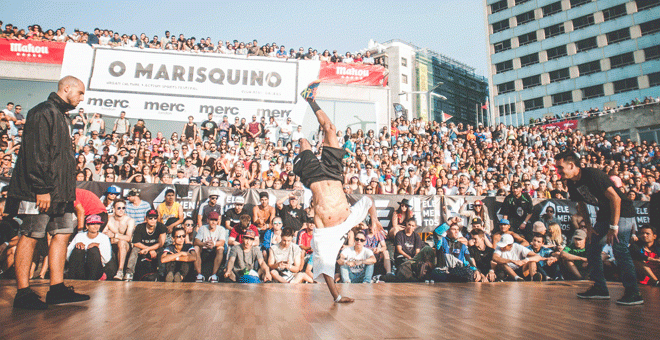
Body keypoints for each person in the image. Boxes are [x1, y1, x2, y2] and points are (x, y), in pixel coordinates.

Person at [293, 80, 381, 303]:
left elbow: (325, 269)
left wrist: (337, 296)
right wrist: (374, 220)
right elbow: (368, 199)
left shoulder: (325, 237)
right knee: (331, 130)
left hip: (313, 178)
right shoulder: (352, 219)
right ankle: (310, 98)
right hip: (333, 175)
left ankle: (301, 145)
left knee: (303, 141)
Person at [8, 76, 89, 309]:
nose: (82, 98)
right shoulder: (42, 112)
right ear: (67, 88)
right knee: (32, 234)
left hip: (61, 191)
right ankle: (23, 293)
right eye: (80, 93)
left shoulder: (63, 116)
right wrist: (42, 189)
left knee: (62, 233)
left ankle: (57, 289)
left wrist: (66, 192)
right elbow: (36, 153)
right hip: (39, 189)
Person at [556, 151, 643, 305]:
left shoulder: (593, 175)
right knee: (591, 247)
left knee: (619, 249)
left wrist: (613, 227)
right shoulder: (571, 182)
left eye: (561, 168)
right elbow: (581, 204)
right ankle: (600, 289)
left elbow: (616, 198)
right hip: (605, 213)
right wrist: (588, 227)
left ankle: (633, 292)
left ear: (571, 165)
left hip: (622, 211)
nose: (558, 171)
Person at [66, 214, 113, 280]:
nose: (95, 226)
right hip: (80, 267)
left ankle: (92, 280)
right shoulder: (79, 236)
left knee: (93, 250)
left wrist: (98, 247)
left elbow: (107, 259)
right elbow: (68, 256)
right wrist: (78, 247)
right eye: (92, 224)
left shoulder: (104, 238)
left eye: (98, 224)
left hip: (95, 269)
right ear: (87, 226)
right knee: (78, 250)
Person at [124, 209, 166, 282]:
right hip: (142, 247)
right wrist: (148, 249)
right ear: (146, 218)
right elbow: (136, 243)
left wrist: (149, 249)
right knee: (135, 250)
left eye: (155, 218)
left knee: (162, 251)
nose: (153, 220)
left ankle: (161, 274)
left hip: (156, 248)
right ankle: (129, 273)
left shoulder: (161, 227)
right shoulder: (140, 227)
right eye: (150, 218)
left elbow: (161, 243)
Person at [103, 199, 135, 280]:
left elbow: (128, 238)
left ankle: (120, 271)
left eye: (123, 208)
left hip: (125, 247)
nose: (121, 210)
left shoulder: (129, 220)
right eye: (119, 208)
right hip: (111, 246)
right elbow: (104, 233)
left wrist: (114, 235)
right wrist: (118, 236)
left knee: (121, 242)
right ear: (113, 209)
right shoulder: (109, 219)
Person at [193, 211, 226, 283]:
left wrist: (213, 243)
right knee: (196, 248)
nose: (213, 222)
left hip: (215, 250)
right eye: (211, 220)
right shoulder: (202, 228)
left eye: (215, 220)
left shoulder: (221, 229)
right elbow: (196, 241)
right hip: (204, 250)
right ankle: (199, 274)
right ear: (207, 220)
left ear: (218, 221)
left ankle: (214, 275)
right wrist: (204, 244)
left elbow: (222, 242)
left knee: (221, 248)